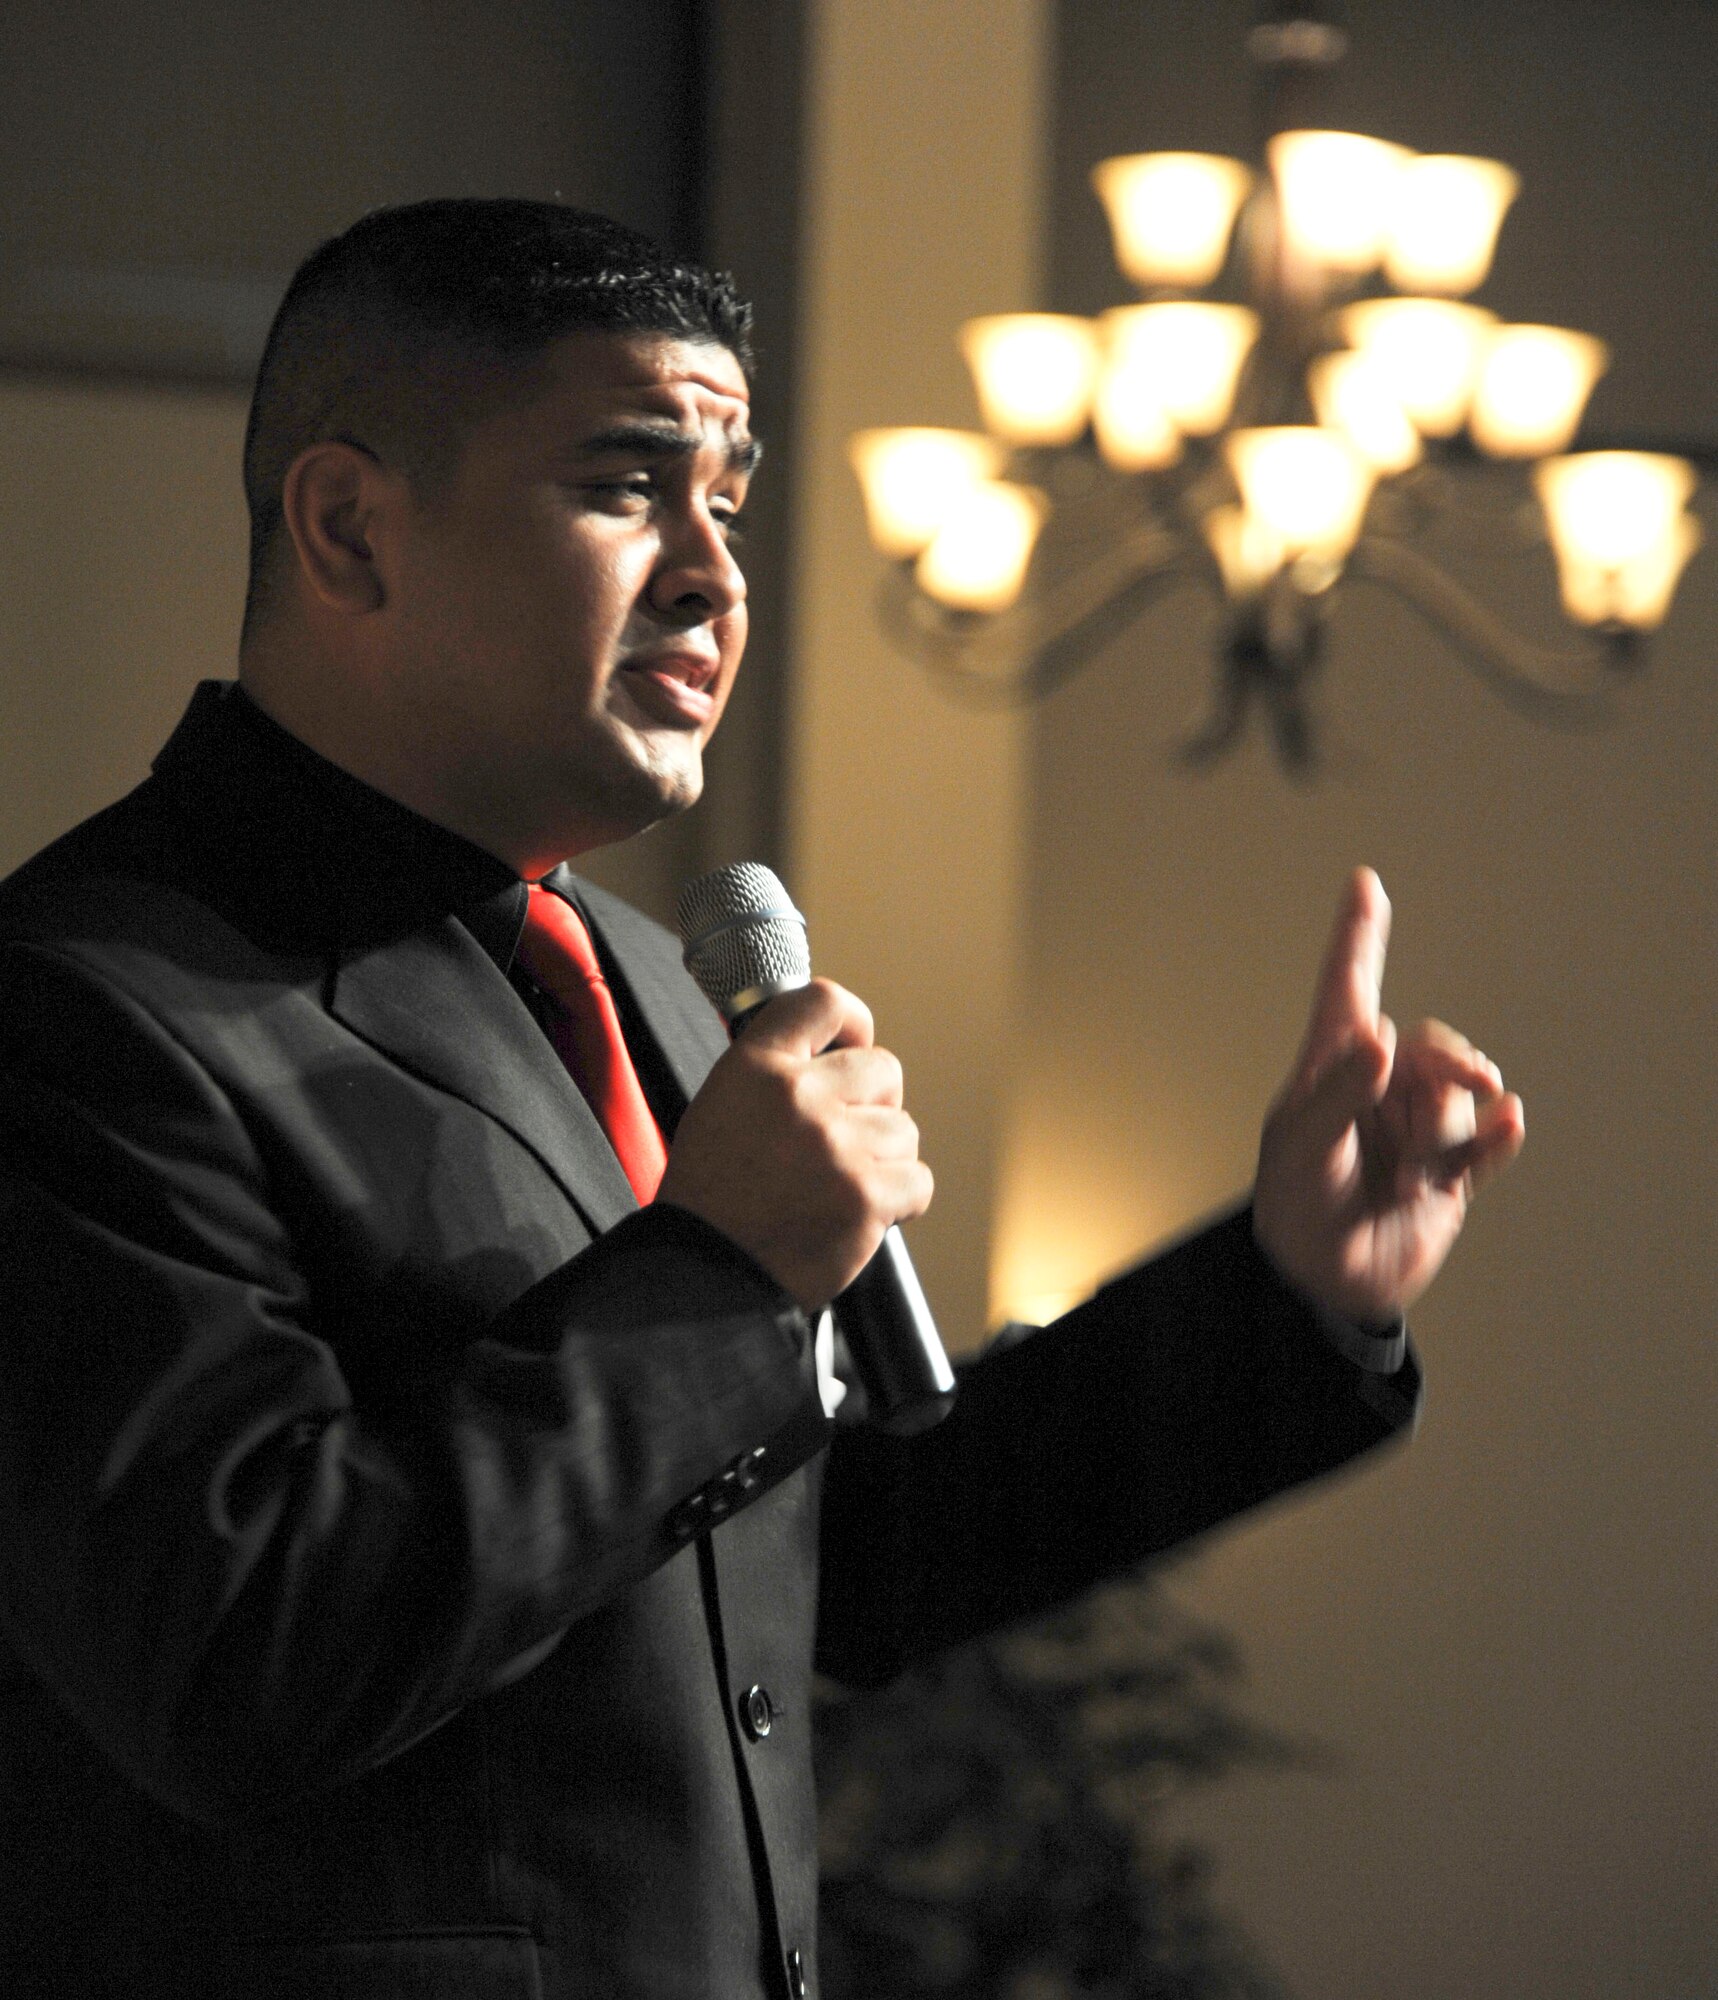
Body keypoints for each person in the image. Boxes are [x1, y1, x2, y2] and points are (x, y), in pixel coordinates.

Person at [0, 199, 1523, 2000]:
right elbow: (233, 1654)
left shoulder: (644, 981)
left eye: (725, 501)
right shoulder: (78, 1007)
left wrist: (1283, 1297)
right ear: (349, 528)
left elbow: (854, 1554)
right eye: (628, 482)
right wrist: (715, 1272)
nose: (718, 575)